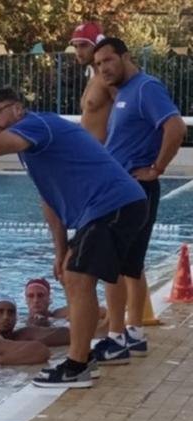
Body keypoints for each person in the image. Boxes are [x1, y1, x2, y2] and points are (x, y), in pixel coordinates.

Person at [0, 86, 147, 388]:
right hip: (113, 207)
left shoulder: (37, 125)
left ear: (17, 108)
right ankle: (93, 355)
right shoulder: (31, 150)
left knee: (79, 279)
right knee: (76, 276)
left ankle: (78, 365)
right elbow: (49, 201)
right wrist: (60, 250)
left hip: (112, 204)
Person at [94, 37, 187, 359]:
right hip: (124, 188)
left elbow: (175, 127)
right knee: (131, 265)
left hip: (131, 189)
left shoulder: (146, 88)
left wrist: (157, 168)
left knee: (112, 264)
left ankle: (116, 337)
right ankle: (133, 333)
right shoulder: (125, 92)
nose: (103, 69)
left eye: (108, 60)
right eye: (98, 65)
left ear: (126, 56)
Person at [70, 21, 113, 142]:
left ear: (99, 45)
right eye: (75, 47)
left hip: (104, 150)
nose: (78, 52)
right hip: (88, 150)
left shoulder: (109, 79)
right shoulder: (94, 77)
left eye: (84, 46)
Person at [0, 292, 70, 347]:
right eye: (0, 312)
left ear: (16, 317)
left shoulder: (24, 334)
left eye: (11, 312)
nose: (6, 317)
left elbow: (66, 334)